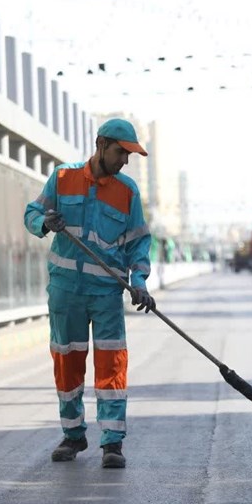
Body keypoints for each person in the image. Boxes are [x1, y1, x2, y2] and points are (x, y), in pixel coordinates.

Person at [23, 118, 155, 469]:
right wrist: (45, 223)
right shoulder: (63, 178)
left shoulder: (128, 192)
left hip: (107, 292)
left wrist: (139, 282)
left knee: (111, 365)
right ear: (100, 144)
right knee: (67, 362)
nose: (124, 161)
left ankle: (112, 442)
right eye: (120, 153)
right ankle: (73, 434)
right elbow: (32, 211)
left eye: (128, 156)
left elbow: (138, 242)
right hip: (66, 290)